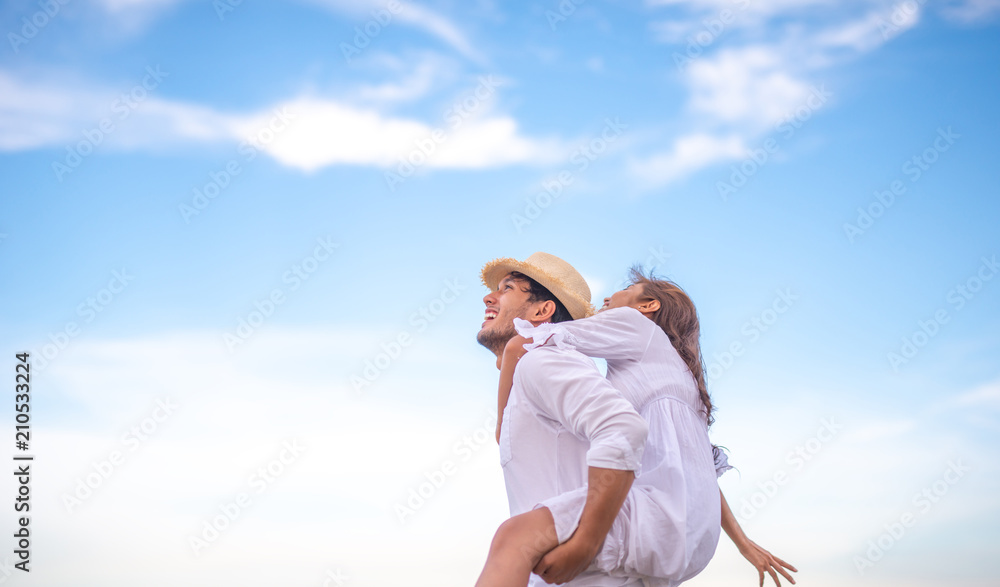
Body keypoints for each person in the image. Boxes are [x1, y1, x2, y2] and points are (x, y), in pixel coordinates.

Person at [476, 254, 796, 587]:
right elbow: (700, 476)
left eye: (627, 289)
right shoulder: (664, 375)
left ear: (647, 306)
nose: (606, 299)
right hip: (691, 530)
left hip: (659, 513)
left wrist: (503, 422)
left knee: (515, 537)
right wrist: (744, 544)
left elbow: (524, 341)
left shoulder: (636, 326)